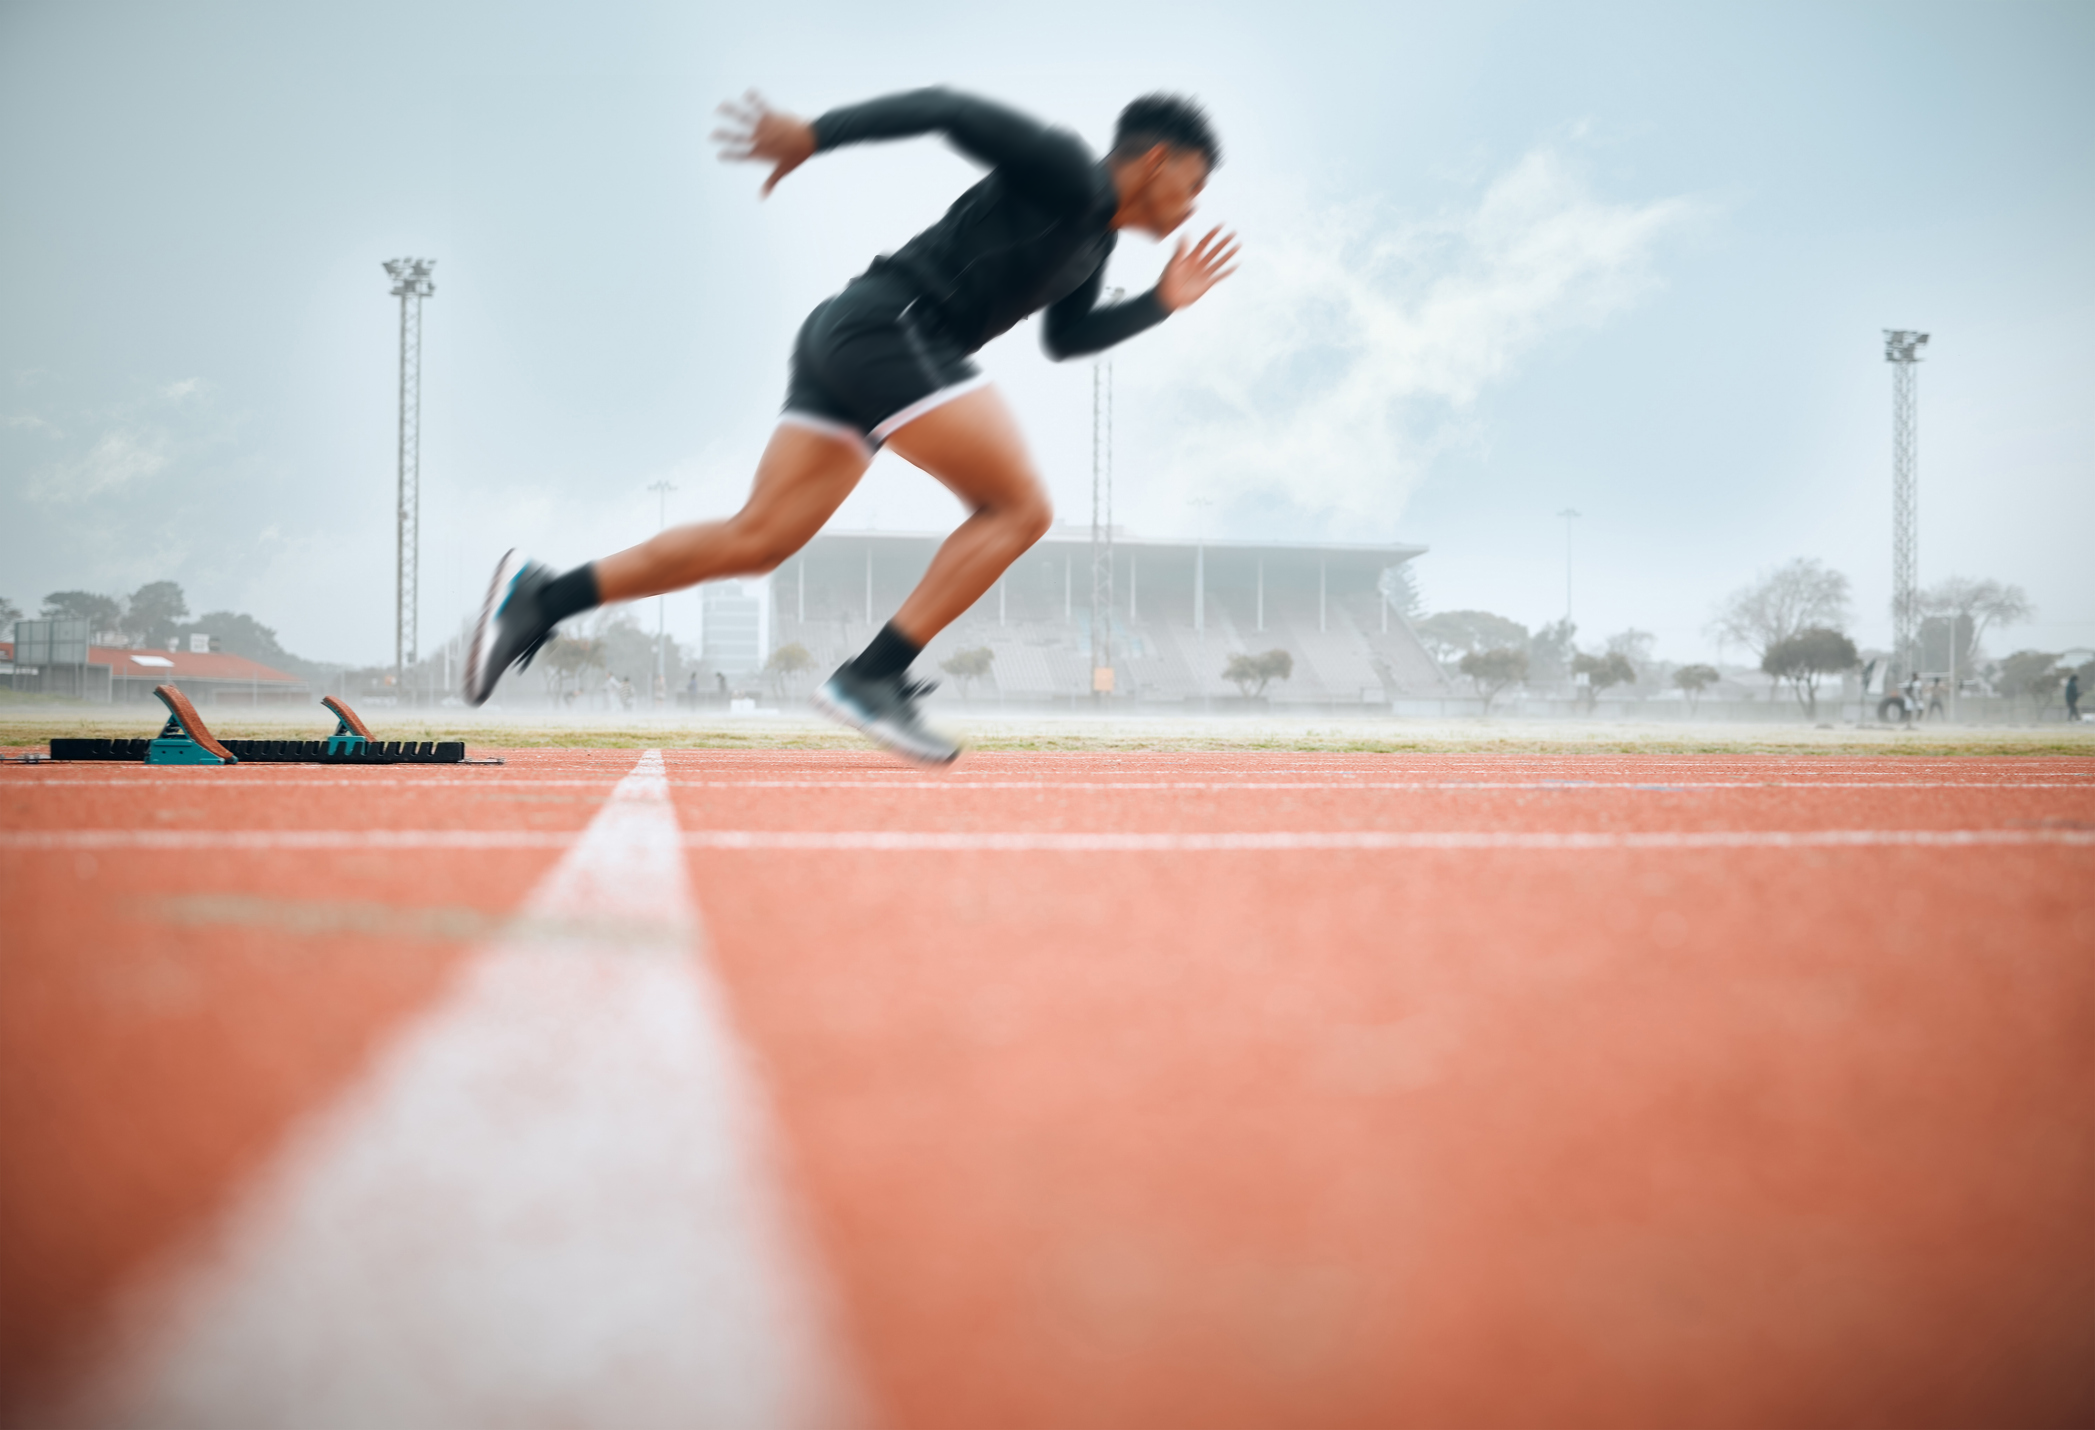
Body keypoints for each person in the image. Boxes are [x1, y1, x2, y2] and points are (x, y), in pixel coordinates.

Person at [463, 87, 1236, 762]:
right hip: (891, 329)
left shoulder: (1092, 244)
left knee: (757, 540)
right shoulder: (1066, 167)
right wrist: (814, 133)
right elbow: (949, 108)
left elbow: (1066, 339)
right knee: (1020, 509)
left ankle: (542, 597)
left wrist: (1159, 303)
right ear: (1157, 160)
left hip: (853, 339)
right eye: (1194, 184)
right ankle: (875, 674)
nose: (1194, 204)